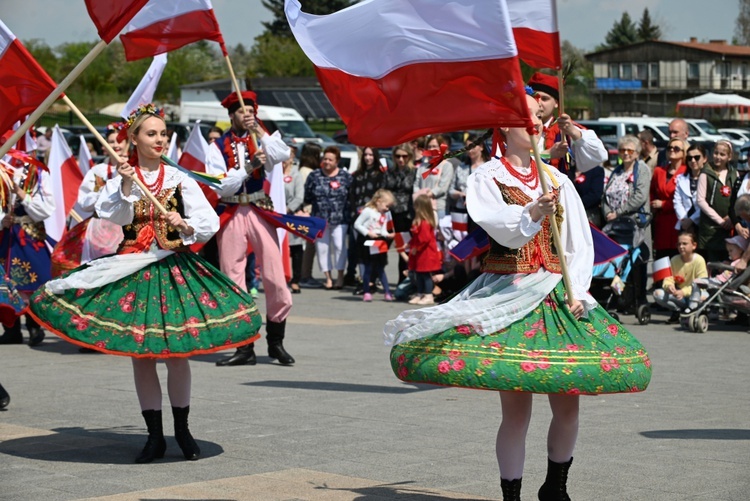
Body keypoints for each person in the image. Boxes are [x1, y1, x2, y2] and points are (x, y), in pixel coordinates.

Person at [384, 93, 651, 501]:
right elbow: (498, 227)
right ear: (504, 127)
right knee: (517, 410)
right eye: (525, 117)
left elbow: (578, 241)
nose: (536, 123)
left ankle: (556, 487)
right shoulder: (488, 176)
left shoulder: (557, 178)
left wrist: (579, 289)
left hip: (557, 295)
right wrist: (533, 212)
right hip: (511, 292)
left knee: (568, 406)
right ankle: (511, 494)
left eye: (538, 117)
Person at [28, 104, 263, 463]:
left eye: (163, 134)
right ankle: (154, 436)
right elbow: (113, 215)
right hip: (134, 267)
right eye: (151, 134)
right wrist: (124, 182)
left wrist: (184, 224)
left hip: (174, 267)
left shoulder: (179, 178)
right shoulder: (123, 179)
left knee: (177, 355)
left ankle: (181, 429)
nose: (160, 139)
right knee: (143, 357)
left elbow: (208, 222)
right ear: (133, 138)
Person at [210, 91, 295, 367]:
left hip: (259, 209)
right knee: (233, 280)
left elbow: (283, 154)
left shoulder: (260, 138)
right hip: (232, 211)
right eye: (240, 111)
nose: (245, 115)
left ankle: (276, 343)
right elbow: (221, 185)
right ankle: (244, 347)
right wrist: (249, 167)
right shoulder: (217, 146)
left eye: (250, 110)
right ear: (230, 115)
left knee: (275, 277)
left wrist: (259, 128)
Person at [50, 122, 127, 277]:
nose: (116, 145)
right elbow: (84, 202)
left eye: (120, 140)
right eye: (111, 141)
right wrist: (106, 192)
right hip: (99, 230)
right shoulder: (98, 171)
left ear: (128, 142)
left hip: (126, 227)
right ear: (104, 145)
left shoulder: (137, 169)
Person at [0, 150, 56, 346]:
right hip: (7, 236)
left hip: (28, 236)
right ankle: (11, 329)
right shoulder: (2, 165)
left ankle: (34, 326)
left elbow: (47, 208)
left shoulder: (37, 171)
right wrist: (2, 220)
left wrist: (22, 194)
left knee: (35, 279)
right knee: (6, 281)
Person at [601, 135, 652, 310]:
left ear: (637, 153)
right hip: (615, 224)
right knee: (618, 262)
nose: (626, 154)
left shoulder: (642, 170)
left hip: (635, 223)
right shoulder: (617, 171)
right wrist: (608, 212)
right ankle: (619, 297)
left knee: (637, 262)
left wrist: (618, 213)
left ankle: (640, 299)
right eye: (623, 150)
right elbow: (606, 195)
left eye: (630, 150)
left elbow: (640, 196)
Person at [527, 72, 608, 174]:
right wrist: (547, 155)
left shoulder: (566, 130)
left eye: (544, 99)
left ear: (556, 103)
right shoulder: (517, 129)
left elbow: (599, 156)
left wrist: (573, 132)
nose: (539, 103)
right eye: (535, 97)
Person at [304, 145, 352, 290]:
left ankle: (340, 277)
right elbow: (308, 195)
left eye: (330, 159)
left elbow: (350, 196)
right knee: (322, 248)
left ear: (337, 161)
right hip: (320, 219)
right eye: (325, 159)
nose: (327, 162)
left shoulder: (345, 176)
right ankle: (328, 278)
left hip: (340, 219)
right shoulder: (315, 175)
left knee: (339, 247)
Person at [346, 146, 386, 289]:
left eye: (371, 155)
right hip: (357, 218)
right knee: (355, 249)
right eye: (366, 155)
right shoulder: (357, 174)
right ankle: (353, 276)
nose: (368, 158)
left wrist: (369, 209)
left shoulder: (380, 175)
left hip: (372, 218)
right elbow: (351, 196)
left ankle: (373, 278)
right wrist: (353, 211)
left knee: (372, 249)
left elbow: (380, 196)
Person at [652, 231, 707, 322]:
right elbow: (668, 278)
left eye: (685, 244)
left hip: (695, 294)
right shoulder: (674, 259)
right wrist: (669, 286)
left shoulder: (699, 260)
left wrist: (683, 292)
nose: (681, 247)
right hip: (680, 295)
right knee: (657, 294)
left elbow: (702, 283)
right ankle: (677, 310)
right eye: (679, 244)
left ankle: (697, 311)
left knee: (704, 296)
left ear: (694, 245)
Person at [697, 140, 737, 263]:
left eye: (722, 154)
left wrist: (732, 218)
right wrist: (720, 221)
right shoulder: (706, 172)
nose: (718, 157)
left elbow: (737, 198)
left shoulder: (733, 173)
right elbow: (700, 200)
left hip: (729, 226)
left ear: (729, 157)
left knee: (728, 262)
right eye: (716, 153)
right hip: (711, 228)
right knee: (713, 263)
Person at [352, 189, 395, 302]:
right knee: (368, 267)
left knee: (380, 267)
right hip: (367, 240)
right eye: (386, 206)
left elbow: (383, 230)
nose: (387, 209)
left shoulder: (384, 214)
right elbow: (357, 224)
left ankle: (387, 292)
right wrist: (367, 232)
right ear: (378, 201)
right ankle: (366, 291)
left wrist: (388, 235)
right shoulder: (368, 211)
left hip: (379, 241)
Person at [384, 143, 417, 284]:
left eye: (404, 156)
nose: (401, 159)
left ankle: (404, 280)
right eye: (398, 156)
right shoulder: (389, 172)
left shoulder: (414, 172)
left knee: (405, 249)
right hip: (391, 214)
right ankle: (373, 278)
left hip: (407, 214)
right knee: (383, 245)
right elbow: (384, 190)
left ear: (409, 156)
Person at [651, 138, 688, 261]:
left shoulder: (687, 172)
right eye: (669, 148)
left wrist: (664, 204)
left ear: (684, 152)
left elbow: (688, 199)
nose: (672, 150)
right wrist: (653, 205)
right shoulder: (659, 171)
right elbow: (652, 191)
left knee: (677, 256)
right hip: (661, 222)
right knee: (661, 259)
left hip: (679, 221)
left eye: (676, 148)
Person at [407, 194, 441, 305]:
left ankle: (428, 295)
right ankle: (420, 293)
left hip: (426, 253)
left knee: (426, 275)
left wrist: (416, 248)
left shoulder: (425, 223)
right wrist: (409, 245)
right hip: (420, 253)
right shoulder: (419, 221)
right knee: (419, 274)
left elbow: (424, 239)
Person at [298, 142, 324, 288]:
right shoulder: (306, 172)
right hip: (307, 212)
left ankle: (305, 273)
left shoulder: (306, 170)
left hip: (309, 211)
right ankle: (305, 275)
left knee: (309, 246)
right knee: (309, 246)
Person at [413, 135, 454, 219]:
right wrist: (419, 196)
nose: (431, 149)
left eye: (434, 146)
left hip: (437, 207)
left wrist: (427, 194)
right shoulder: (422, 166)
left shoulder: (446, 165)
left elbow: (442, 187)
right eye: (429, 146)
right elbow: (416, 184)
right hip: (421, 206)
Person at [282, 147, 305, 294]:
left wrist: (288, 208)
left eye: (288, 155)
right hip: (276, 216)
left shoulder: (296, 174)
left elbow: (299, 197)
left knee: (296, 249)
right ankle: (282, 279)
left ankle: (296, 280)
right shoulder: (273, 173)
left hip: (291, 215)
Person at [674, 143, 706, 235]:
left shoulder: (709, 179)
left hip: (702, 223)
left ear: (704, 159)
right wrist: (684, 219)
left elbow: (706, 203)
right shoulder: (681, 178)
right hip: (684, 224)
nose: (693, 160)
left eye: (697, 157)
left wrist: (692, 220)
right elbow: (677, 201)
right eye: (689, 158)